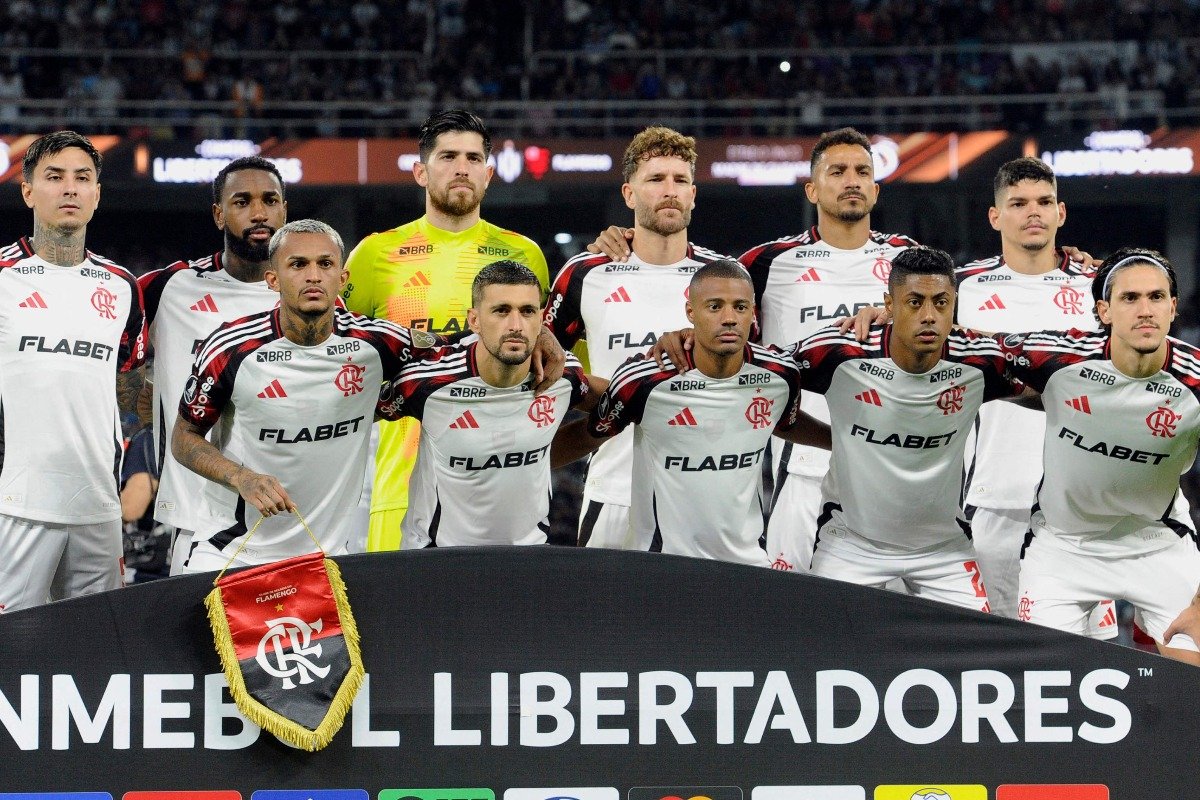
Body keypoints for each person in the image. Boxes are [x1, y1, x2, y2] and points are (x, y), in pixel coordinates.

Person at [591, 128, 917, 569]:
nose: (851, 180)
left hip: (895, 452)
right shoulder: (765, 262)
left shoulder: (910, 263)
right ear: (812, 188)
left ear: (877, 188)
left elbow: (946, 327)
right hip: (797, 462)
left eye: (862, 171)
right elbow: (718, 305)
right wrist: (626, 241)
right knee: (798, 605)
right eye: (837, 171)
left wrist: (900, 312)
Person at [172, 220, 442, 570]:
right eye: (298, 264)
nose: (313, 275)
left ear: (342, 279)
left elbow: (462, 356)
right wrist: (241, 477)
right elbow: (183, 437)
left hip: (326, 558)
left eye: (325, 264)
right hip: (230, 552)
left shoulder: (379, 344)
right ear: (273, 280)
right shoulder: (231, 348)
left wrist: (538, 337)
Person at [343, 109, 550, 552]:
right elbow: (339, 359)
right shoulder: (375, 255)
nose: (462, 168)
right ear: (420, 171)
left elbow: (550, 363)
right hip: (398, 485)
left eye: (474, 159)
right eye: (448, 156)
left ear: (489, 173)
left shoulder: (524, 256)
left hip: (506, 494)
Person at [995, 247, 1200, 664]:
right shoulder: (1060, 359)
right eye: (1130, 298)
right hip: (1063, 547)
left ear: (1173, 307)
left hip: (1156, 544)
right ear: (1104, 311)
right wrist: (887, 323)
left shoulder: (1194, 381)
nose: (1145, 310)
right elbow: (959, 345)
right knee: (1046, 688)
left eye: (1156, 297)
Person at [786, 246, 1019, 610]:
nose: (929, 315)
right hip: (851, 542)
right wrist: (838, 441)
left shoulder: (978, 361)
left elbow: (1051, 386)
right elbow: (762, 385)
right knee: (828, 652)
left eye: (941, 303)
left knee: (976, 659)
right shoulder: (840, 352)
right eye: (914, 302)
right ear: (889, 305)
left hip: (943, 548)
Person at [553, 260, 827, 566]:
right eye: (714, 307)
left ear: (753, 312)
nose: (729, 318)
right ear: (690, 312)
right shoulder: (644, 380)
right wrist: (524, 464)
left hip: (748, 563)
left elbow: (786, 424)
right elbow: (589, 434)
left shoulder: (781, 374)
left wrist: (842, 441)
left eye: (740, 307)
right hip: (661, 563)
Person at [544, 125, 731, 549]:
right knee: (607, 616)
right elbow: (541, 361)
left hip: (709, 492)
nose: (670, 190)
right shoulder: (585, 274)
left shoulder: (723, 279)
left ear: (694, 195)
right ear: (629, 195)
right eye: (656, 179)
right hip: (615, 490)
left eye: (680, 180)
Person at [0, 130, 146, 612]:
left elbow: (126, 381)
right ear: (27, 191)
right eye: (54, 177)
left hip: (98, 509)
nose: (70, 189)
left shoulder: (121, 285)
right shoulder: (3, 276)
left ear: (97, 195)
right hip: (15, 506)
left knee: (96, 651)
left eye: (83, 178)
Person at [379, 261, 599, 548]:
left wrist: (600, 429)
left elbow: (621, 401)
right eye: (501, 310)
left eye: (527, 311)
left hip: (529, 556)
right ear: (474, 321)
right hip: (437, 561)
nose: (516, 325)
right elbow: (350, 414)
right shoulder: (426, 381)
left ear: (542, 320)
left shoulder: (561, 373)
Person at [138, 156, 288, 574]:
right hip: (198, 519)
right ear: (219, 215)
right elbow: (108, 348)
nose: (259, 213)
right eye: (242, 202)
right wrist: (141, 398)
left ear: (284, 210)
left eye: (269, 200)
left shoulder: (312, 299)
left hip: (290, 514)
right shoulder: (169, 287)